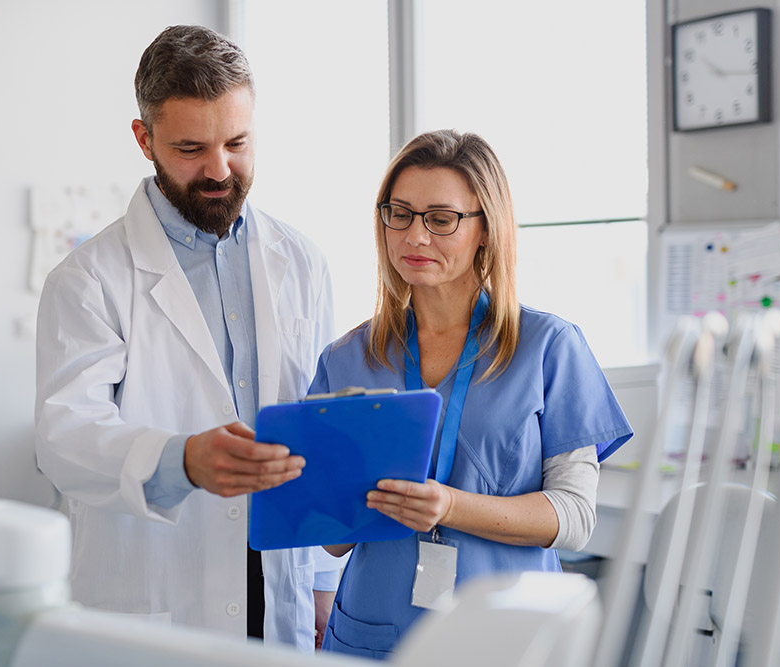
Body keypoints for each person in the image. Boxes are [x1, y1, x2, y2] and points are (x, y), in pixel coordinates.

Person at [34, 25, 341, 652]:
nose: (220, 169)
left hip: (278, 582)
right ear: (144, 139)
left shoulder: (301, 260)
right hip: (158, 588)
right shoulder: (90, 278)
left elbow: (321, 420)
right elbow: (64, 439)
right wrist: (179, 459)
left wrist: (322, 577)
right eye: (191, 148)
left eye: (237, 142)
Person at [309, 129, 634, 659]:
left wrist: (449, 505)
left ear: (486, 229)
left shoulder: (549, 347)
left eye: (441, 219)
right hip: (374, 630)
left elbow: (573, 518)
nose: (415, 237)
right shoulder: (346, 358)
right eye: (401, 213)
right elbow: (331, 537)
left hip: (507, 633)